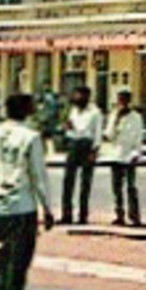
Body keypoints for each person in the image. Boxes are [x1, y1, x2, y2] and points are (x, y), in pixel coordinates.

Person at [0, 92, 55, 290]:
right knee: (20, 255)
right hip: (22, 203)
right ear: (26, 110)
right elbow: (38, 176)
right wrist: (47, 208)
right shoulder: (31, 138)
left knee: (5, 249)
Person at [60, 86, 103, 225]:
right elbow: (71, 132)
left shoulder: (95, 113)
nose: (77, 98)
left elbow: (97, 133)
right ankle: (66, 214)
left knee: (85, 183)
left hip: (87, 145)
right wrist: (68, 129)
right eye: (76, 95)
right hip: (74, 144)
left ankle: (83, 216)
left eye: (80, 96)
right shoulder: (73, 111)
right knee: (68, 181)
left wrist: (95, 151)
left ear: (87, 97)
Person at [104, 88, 144, 226]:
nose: (122, 102)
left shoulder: (136, 117)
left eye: (124, 99)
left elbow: (138, 137)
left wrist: (136, 153)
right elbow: (109, 135)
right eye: (120, 99)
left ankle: (134, 216)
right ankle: (119, 214)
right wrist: (115, 121)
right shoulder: (114, 115)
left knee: (131, 187)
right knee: (116, 187)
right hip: (116, 154)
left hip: (129, 155)